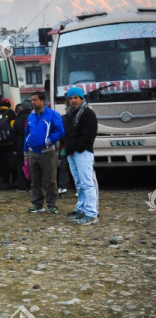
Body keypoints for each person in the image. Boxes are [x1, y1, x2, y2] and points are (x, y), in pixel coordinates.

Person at [24, 91, 64, 214]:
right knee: (35, 180)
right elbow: (27, 134)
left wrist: (49, 141)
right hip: (32, 152)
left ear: (42, 101)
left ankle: (52, 204)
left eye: (35, 100)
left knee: (50, 179)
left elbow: (60, 131)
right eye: (31, 100)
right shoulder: (30, 116)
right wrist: (25, 152)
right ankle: (37, 204)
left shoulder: (52, 115)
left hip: (47, 152)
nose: (32, 102)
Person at [63, 87, 99, 225]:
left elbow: (89, 134)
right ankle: (83, 209)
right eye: (71, 98)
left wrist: (78, 148)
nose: (73, 100)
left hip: (82, 152)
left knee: (87, 183)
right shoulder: (72, 113)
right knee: (79, 183)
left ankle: (91, 213)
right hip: (73, 152)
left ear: (81, 98)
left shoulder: (87, 113)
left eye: (75, 98)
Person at [0, 98, 16, 185]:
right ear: (9, 104)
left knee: (3, 160)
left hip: (0, 142)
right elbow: (13, 126)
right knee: (12, 160)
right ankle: (13, 178)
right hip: (10, 142)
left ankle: (5, 179)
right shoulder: (11, 113)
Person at [11, 100, 32, 190]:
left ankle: (22, 186)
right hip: (32, 144)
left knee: (21, 165)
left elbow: (14, 134)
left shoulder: (18, 119)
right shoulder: (33, 117)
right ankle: (32, 185)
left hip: (21, 145)